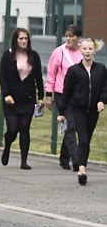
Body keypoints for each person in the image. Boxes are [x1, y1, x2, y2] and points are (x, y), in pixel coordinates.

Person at [57, 38, 106, 185]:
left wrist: (102, 100)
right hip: (77, 109)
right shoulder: (74, 71)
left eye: (90, 49)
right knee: (83, 138)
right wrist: (61, 112)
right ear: (80, 50)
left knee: (86, 140)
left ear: (94, 50)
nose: (87, 51)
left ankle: (82, 166)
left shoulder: (101, 69)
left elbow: (105, 88)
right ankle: (82, 170)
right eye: (84, 49)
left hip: (93, 111)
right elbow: (66, 92)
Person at [0, 28, 44, 169]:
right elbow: (3, 78)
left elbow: (38, 78)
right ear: (15, 40)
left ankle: (24, 161)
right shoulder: (8, 55)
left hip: (28, 98)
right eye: (21, 39)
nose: (24, 41)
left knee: (24, 128)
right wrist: (6, 94)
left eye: (26, 39)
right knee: (12, 128)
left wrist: (41, 96)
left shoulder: (34, 56)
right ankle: (7, 146)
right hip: (12, 98)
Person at [44, 24, 83, 170]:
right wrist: (49, 94)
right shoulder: (59, 52)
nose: (68, 38)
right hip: (62, 93)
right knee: (71, 125)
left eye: (71, 36)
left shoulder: (83, 52)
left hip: (79, 95)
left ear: (78, 38)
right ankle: (77, 160)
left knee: (74, 126)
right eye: (66, 35)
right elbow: (51, 73)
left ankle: (64, 157)